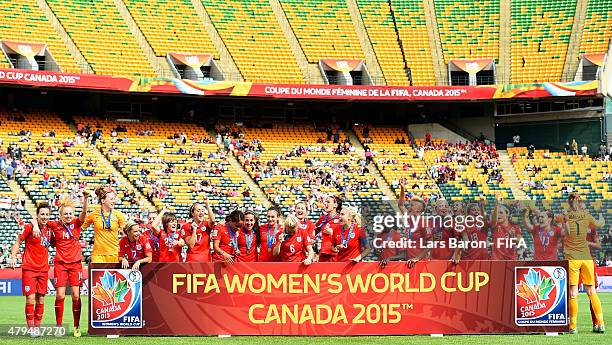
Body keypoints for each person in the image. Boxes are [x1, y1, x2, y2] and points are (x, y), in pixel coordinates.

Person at [560, 194, 606, 333]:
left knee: (573, 293)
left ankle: (573, 326)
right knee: (592, 292)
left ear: (569, 203)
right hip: (586, 258)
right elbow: (600, 224)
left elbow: (566, 233)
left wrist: (565, 220)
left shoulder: (566, 216)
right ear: (580, 203)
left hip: (573, 258)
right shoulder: (587, 215)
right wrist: (601, 216)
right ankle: (601, 324)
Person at [47, 193, 89, 338]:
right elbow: (41, 221)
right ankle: (59, 326)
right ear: (61, 215)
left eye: (71, 213)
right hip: (60, 265)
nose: (69, 215)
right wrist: (34, 225)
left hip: (76, 265)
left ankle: (77, 326)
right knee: (59, 295)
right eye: (66, 214)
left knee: (76, 296)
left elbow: (84, 213)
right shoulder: (55, 225)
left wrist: (86, 199)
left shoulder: (77, 223)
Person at [10, 203, 52, 336]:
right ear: (37, 215)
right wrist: (13, 256)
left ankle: (37, 327)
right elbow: (18, 242)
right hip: (29, 268)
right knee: (30, 298)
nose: (44, 217)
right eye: (42, 214)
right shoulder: (29, 227)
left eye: (46, 214)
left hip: (44, 269)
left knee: (41, 299)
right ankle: (31, 327)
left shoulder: (50, 230)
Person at [82, 186, 126, 263]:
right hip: (98, 255)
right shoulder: (94, 214)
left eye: (114, 199)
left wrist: (123, 254)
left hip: (114, 254)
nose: (114, 201)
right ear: (103, 200)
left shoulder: (119, 215)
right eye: (111, 199)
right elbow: (81, 227)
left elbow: (125, 235)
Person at [183, 197, 216, 262]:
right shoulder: (186, 226)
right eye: (198, 211)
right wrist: (194, 230)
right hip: (192, 260)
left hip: (206, 259)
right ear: (192, 213)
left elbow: (213, 220)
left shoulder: (206, 224)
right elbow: (191, 245)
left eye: (202, 211)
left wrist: (207, 204)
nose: (201, 213)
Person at [314, 195, 342, 262]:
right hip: (323, 253)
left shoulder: (340, 218)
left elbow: (345, 237)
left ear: (335, 205)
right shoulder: (323, 218)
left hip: (335, 254)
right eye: (325, 202)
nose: (325, 204)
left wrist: (332, 233)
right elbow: (314, 232)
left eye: (328, 202)